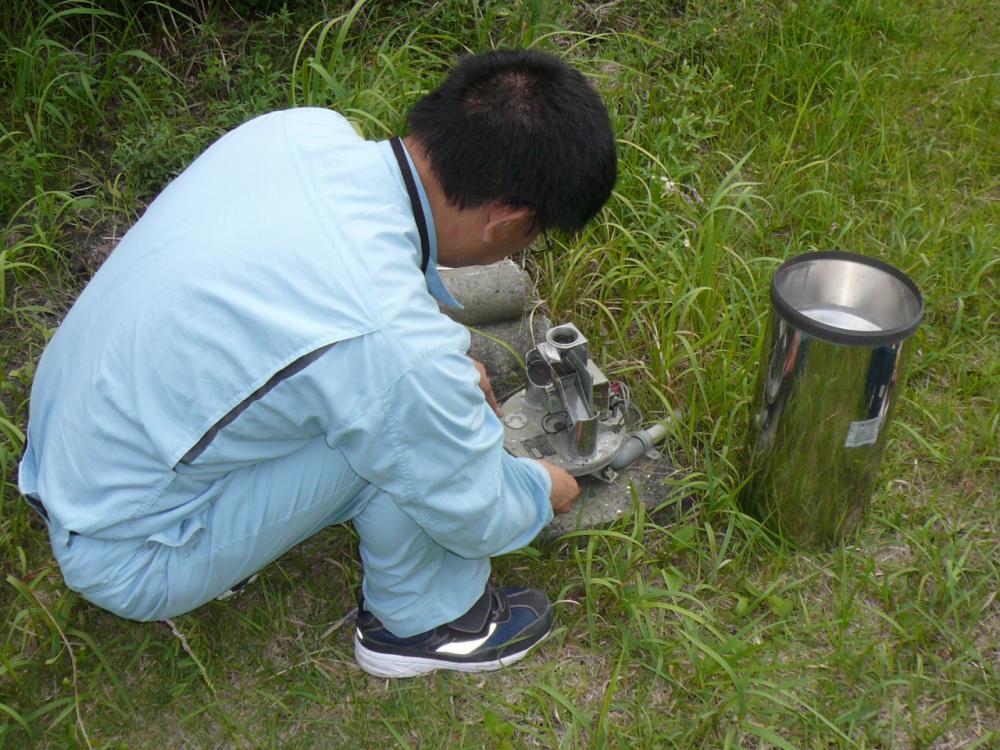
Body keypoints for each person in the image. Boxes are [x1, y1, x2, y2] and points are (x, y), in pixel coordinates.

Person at [18, 48, 617, 678]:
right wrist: (545, 487)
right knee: (408, 442)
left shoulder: (301, 131)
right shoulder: (390, 343)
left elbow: (340, 317)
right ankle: (427, 624)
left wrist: (438, 376)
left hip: (66, 446)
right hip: (128, 550)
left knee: (401, 399)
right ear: (508, 220)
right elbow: (474, 509)